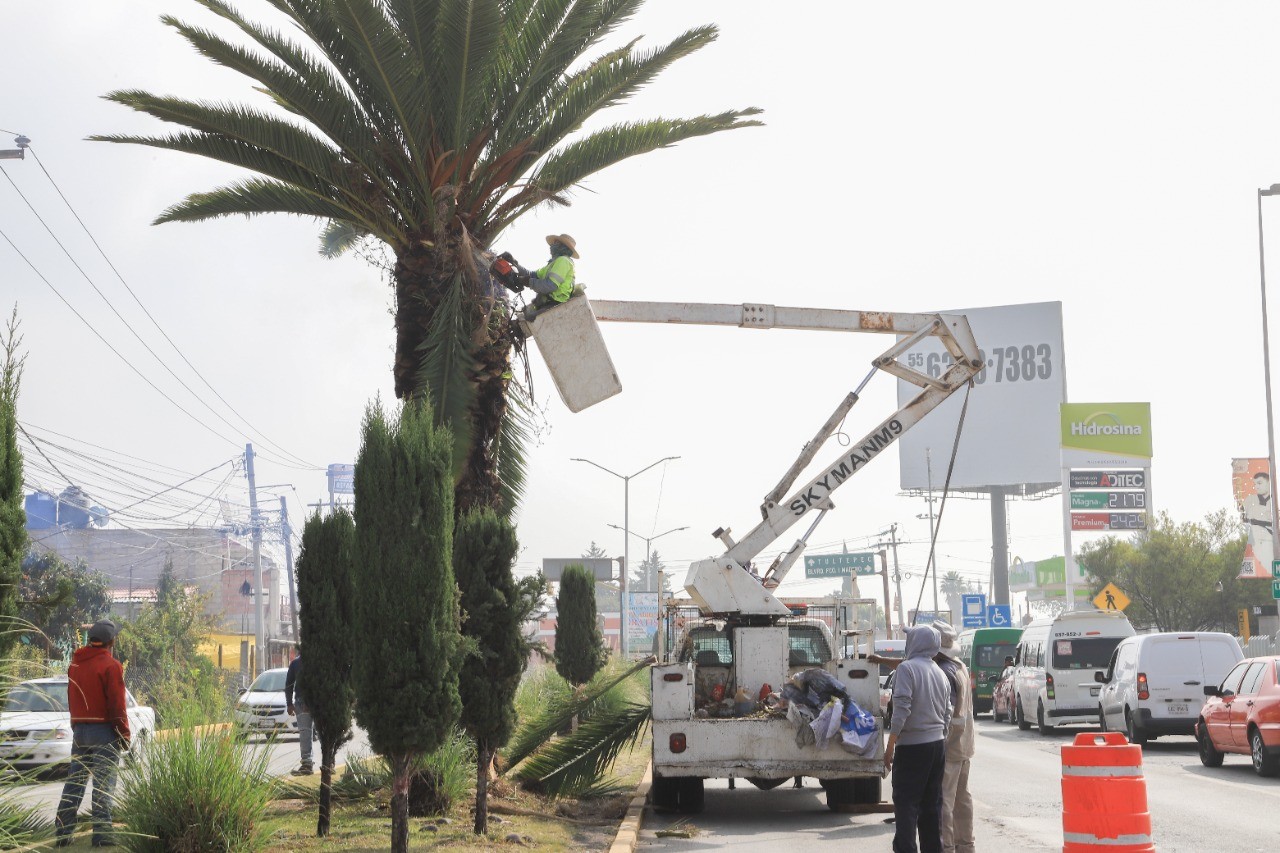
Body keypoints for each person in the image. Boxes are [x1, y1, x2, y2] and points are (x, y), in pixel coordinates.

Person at [56, 619, 130, 848]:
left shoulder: (75, 664)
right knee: (103, 784)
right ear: (111, 641)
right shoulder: (111, 666)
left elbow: (71, 697)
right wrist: (124, 734)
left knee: (75, 783)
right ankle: (102, 835)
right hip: (104, 731)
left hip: (80, 730)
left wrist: (76, 725)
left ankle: (62, 832)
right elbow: (117, 706)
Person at [884, 625, 952, 853]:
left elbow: (901, 708)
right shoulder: (939, 671)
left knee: (906, 806)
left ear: (916, 642)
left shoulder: (907, 669)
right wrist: (940, 739)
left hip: (912, 747)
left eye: (909, 637)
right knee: (931, 808)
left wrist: (890, 745)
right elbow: (948, 713)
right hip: (936, 746)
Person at [932, 622, 975, 853]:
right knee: (962, 800)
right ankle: (966, 846)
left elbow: (945, 713)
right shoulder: (960, 666)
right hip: (965, 745)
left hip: (949, 746)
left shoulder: (944, 672)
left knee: (944, 802)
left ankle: (946, 847)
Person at [520, 234, 579, 318]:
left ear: (563, 247)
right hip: (547, 302)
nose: (552, 245)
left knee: (529, 318)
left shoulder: (563, 261)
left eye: (556, 242)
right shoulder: (553, 263)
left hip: (556, 304)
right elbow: (532, 275)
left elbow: (550, 285)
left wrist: (529, 282)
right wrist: (515, 263)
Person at [284, 652, 313, 776]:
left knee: (306, 732)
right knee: (306, 732)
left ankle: (323, 762)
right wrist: (289, 704)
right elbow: (289, 684)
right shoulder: (296, 663)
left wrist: (290, 704)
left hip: (311, 701)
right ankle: (308, 763)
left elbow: (289, 685)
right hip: (303, 702)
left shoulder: (298, 662)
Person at [1242, 471, 1274, 575]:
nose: (1256, 487)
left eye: (1259, 483)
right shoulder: (1250, 500)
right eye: (1255, 484)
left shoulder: (1275, 501)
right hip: (1256, 543)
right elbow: (1243, 520)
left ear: (1268, 482)